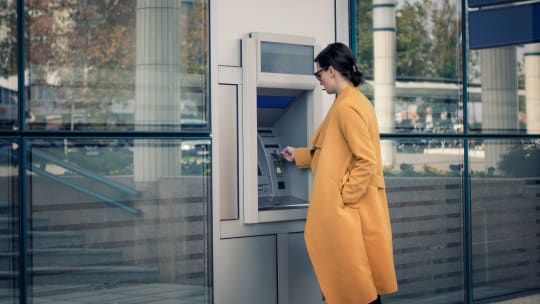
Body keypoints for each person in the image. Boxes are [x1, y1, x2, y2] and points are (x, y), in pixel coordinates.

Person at [280, 42, 398, 304]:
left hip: (349, 213)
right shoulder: (354, 101)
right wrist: (299, 155)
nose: (319, 80)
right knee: (356, 287)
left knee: (354, 289)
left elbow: (364, 160)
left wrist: (345, 197)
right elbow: (334, 152)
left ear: (332, 71)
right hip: (355, 212)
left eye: (319, 74)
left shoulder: (347, 108)